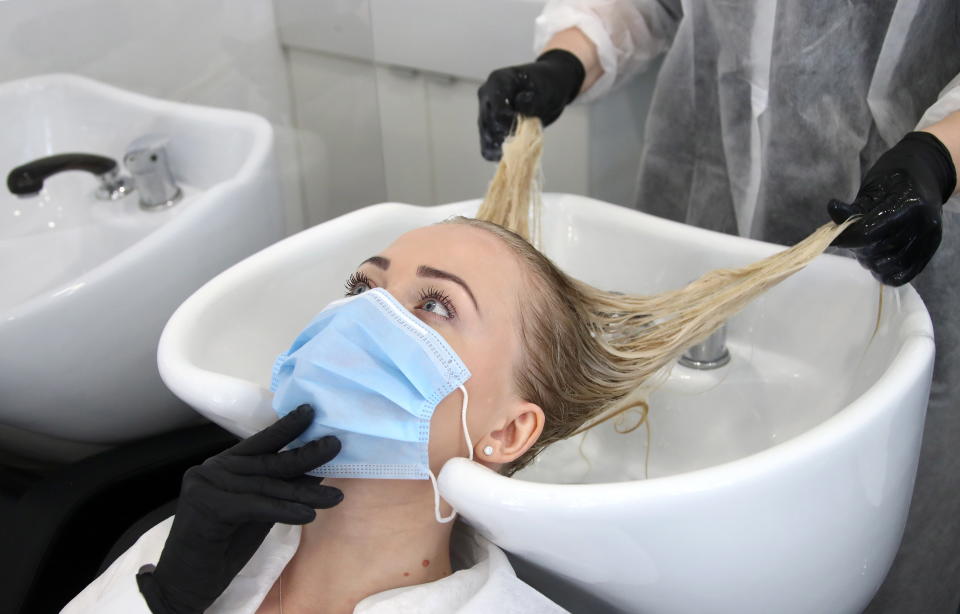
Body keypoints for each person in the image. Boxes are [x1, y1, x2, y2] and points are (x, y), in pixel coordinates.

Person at [477, 2, 960, 610]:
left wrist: (938, 156)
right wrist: (565, 61)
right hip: (705, 182)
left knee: (875, 496)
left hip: (906, 224)